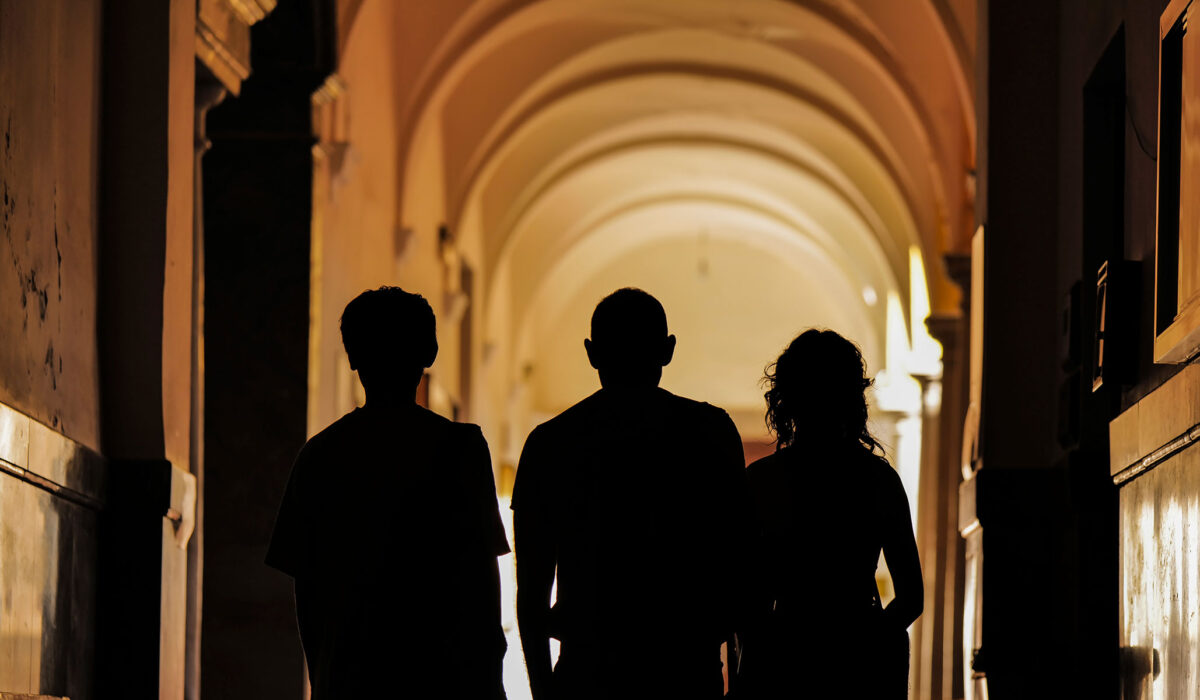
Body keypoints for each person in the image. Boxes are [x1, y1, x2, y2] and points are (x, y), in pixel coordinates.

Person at [266, 286, 509, 699]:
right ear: (430, 352)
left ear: (352, 357)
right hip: (444, 678)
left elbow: (307, 593)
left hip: (350, 678)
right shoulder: (461, 450)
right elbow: (482, 585)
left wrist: (324, 678)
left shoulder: (321, 455)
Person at [512, 287, 751, 700]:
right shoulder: (711, 433)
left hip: (587, 674)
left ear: (591, 353)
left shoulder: (551, 443)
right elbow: (740, 572)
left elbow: (532, 595)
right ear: (668, 350)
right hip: (685, 673)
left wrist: (542, 692)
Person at [737, 328, 922, 698]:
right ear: (852, 398)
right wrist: (869, 645)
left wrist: (764, 647)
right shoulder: (878, 479)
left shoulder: (762, 480)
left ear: (786, 399)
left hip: (782, 662)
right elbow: (911, 597)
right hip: (860, 668)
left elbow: (743, 594)